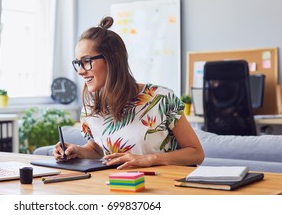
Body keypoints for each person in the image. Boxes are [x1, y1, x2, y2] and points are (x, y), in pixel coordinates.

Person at [53, 16, 204, 169]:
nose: (80, 71)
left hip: (162, 185)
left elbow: (196, 153)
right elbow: (98, 149)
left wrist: (150, 159)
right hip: (118, 185)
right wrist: (79, 151)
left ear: (114, 59)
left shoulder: (161, 99)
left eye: (86, 61)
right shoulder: (90, 108)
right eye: (78, 63)